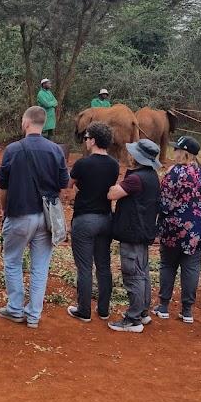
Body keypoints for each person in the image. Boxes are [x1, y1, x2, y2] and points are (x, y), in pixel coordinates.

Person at [0, 106, 69, 329]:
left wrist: (4, 209)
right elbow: (63, 186)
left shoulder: (13, 149)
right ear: (43, 123)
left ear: (26, 123)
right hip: (46, 218)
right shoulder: (56, 150)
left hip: (19, 214)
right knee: (40, 266)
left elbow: (3, 186)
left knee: (12, 261)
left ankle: (15, 309)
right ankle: (34, 316)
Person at [152, 136, 201, 324]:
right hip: (199, 229)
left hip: (174, 228)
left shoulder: (174, 172)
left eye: (177, 149)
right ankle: (187, 310)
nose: (174, 152)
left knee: (168, 264)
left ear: (184, 152)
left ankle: (163, 306)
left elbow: (164, 201)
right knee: (192, 268)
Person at [107, 139, 162, 332]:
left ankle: (133, 319)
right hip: (144, 230)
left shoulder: (136, 179)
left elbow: (112, 194)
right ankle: (142, 313)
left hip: (132, 231)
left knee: (133, 274)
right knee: (142, 273)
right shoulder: (152, 176)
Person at [67, 122, 120, 322]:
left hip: (84, 219)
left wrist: (79, 184)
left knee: (85, 267)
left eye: (87, 137)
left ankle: (84, 310)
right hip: (106, 219)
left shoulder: (82, 163)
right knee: (103, 265)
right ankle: (104, 309)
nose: (85, 141)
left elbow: (68, 184)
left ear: (94, 140)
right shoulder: (114, 165)